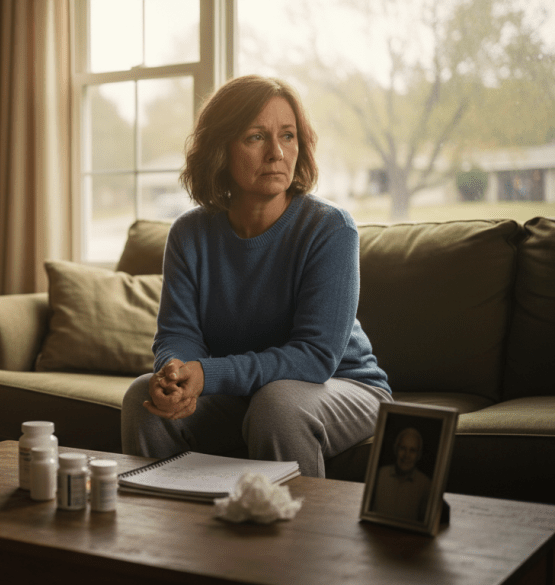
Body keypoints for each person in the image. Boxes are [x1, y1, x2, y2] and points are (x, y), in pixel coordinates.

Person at [121, 75, 392, 478]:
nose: (277, 153)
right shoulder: (188, 234)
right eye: (255, 137)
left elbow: (316, 358)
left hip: (343, 386)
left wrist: (207, 374)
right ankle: (172, 533)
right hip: (249, 394)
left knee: (277, 406)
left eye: (288, 135)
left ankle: (297, 538)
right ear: (220, 149)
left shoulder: (331, 229)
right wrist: (175, 374)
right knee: (142, 398)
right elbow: (177, 333)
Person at [371, 427, 431, 521]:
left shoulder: (425, 484)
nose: (406, 455)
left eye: (412, 450)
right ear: (396, 449)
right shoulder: (379, 474)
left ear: (418, 455)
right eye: (403, 448)